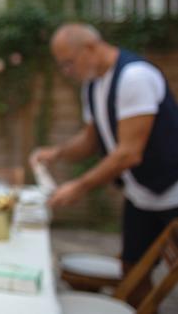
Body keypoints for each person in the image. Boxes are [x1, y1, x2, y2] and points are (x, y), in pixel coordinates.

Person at [31, 22, 178, 305]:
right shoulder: (94, 85)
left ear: (89, 48)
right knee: (132, 271)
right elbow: (91, 139)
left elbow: (128, 153)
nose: (67, 72)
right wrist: (57, 153)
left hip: (171, 189)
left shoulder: (134, 77)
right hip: (141, 196)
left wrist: (80, 186)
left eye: (68, 63)